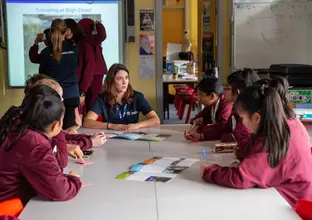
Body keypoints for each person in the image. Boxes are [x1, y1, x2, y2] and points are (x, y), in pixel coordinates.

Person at [200, 84, 312, 208]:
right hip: (294, 196)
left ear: (256, 117)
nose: (242, 123)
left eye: (242, 118)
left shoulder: (272, 140)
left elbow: (239, 178)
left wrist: (208, 171)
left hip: (292, 207)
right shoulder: (285, 125)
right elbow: (254, 155)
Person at [0, 84, 81, 206]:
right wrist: (74, 179)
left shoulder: (19, 127)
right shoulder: (35, 144)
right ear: (55, 125)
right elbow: (61, 191)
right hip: (9, 208)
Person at [25, 74, 107, 168]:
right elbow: (61, 159)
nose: (62, 100)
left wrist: (89, 138)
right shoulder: (35, 127)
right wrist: (89, 142)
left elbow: (64, 137)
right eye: (59, 97)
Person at [186, 68, 259, 142]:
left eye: (228, 88)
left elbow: (237, 135)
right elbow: (226, 128)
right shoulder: (235, 108)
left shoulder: (243, 111)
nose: (224, 91)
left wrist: (201, 129)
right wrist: (201, 136)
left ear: (237, 93)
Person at [83, 63, 160, 131]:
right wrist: (110, 125)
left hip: (132, 136)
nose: (124, 82)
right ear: (111, 81)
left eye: (126, 78)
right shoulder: (102, 98)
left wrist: (138, 125)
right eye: (119, 79)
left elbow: (156, 120)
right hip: (110, 137)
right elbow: (87, 122)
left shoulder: (137, 96)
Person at [39, 19, 80, 130]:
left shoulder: (45, 53)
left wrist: (35, 44)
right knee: (70, 133)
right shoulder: (74, 50)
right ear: (66, 31)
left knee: (53, 133)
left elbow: (42, 76)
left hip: (53, 97)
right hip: (72, 95)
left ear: (51, 32)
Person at [64, 18, 95, 116]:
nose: (68, 32)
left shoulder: (85, 46)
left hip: (76, 92)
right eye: (64, 30)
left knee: (75, 125)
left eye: (70, 29)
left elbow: (88, 71)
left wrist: (82, 91)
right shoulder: (62, 46)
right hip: (62, 93)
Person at [78, 18, 107, 112]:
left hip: (92, 73)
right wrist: (97, 25)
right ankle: (91, 119)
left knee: (91, 100)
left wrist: (97, 25)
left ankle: (90, 119)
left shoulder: (88, 40)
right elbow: (102, 35)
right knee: (92, 100)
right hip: (94, 73)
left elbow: (102, 35)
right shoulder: (89, 40)